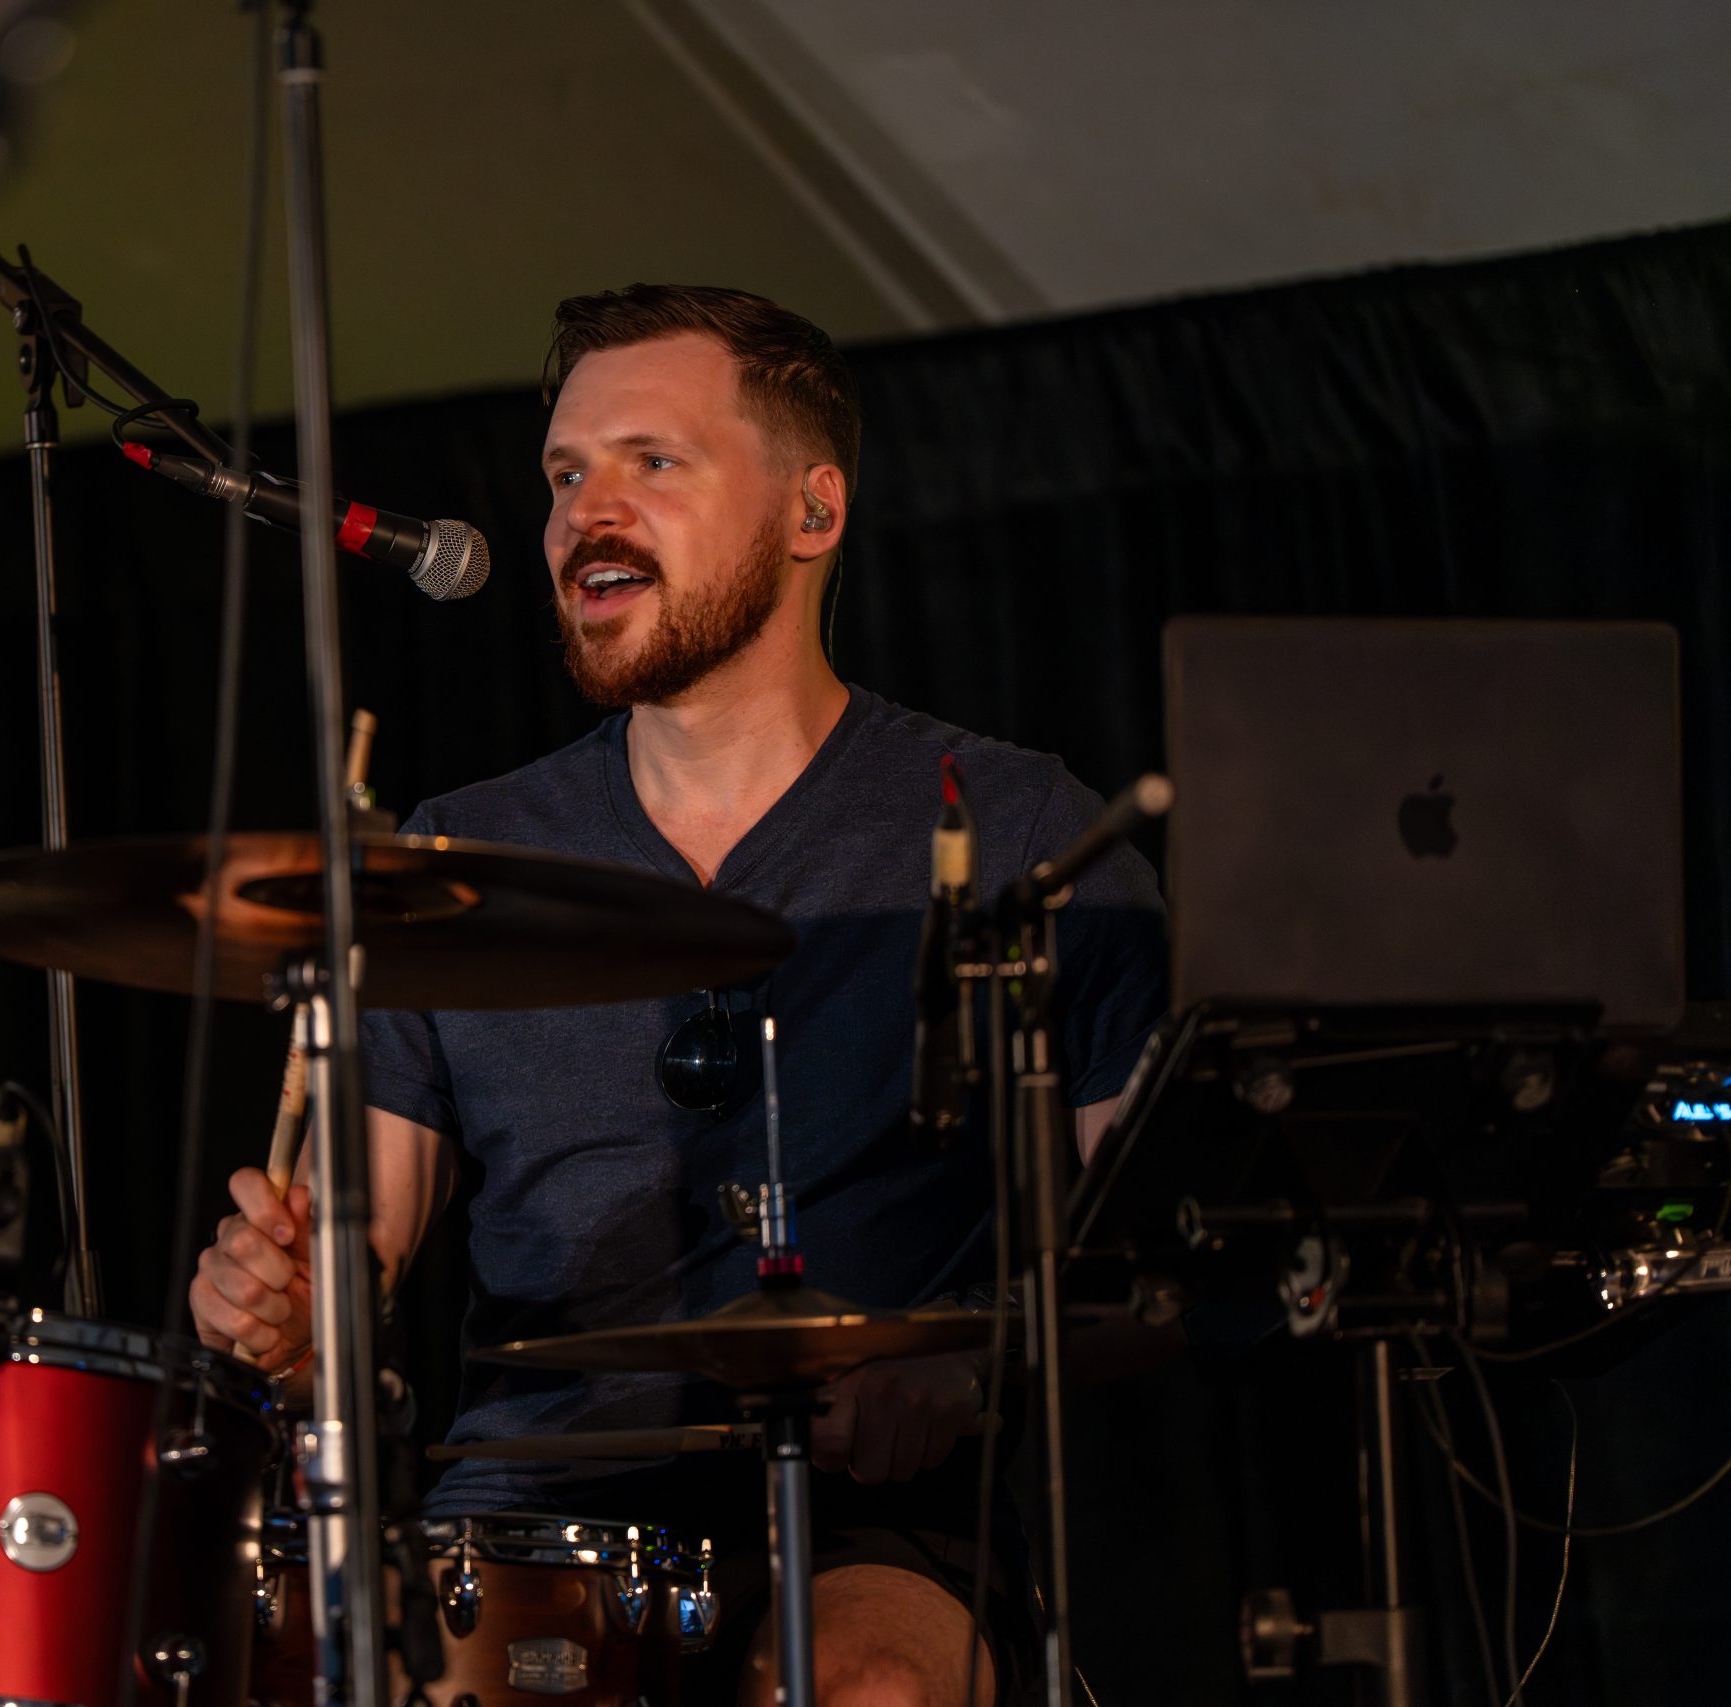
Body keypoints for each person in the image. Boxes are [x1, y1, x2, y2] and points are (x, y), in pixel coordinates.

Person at [191, 285, 1166, 1707]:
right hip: (524, 1522)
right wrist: (282, 1324)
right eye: (564, 474)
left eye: (653, 461)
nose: (589, 512)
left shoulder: (1019, 830)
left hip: (867, 1518)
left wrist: (971, 1368)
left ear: (813, 511)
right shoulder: (453, 862)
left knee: (865, 1691)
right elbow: (354, 1263)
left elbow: (1165, 1253)